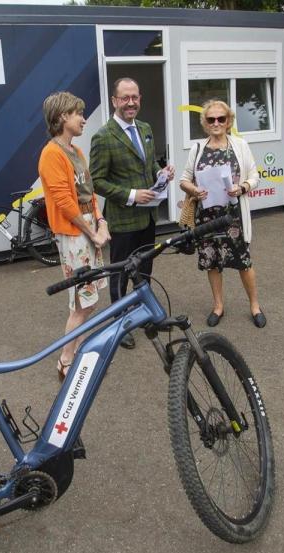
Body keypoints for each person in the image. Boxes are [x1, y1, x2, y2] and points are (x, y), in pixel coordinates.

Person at [90, 77, 173, 349]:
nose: (130, 102)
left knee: (145, 268)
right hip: (123, 220)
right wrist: (131, 194)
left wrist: (160, 174)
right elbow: (97, 181)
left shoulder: (145, 128)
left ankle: (144, 313)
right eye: (125, 98)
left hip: (148, 217)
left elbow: (148, 167)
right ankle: (120, 323)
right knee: (121, 273)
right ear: (114, 101)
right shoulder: (103, 136)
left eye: (134, 97)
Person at [37, 92, 110, 382]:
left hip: (89, 228)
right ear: (62, 116)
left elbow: (88, 193)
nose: (83, 118)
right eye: (78, 113)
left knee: (88, 299)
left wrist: (101, 221)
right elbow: (65, 203)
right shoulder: (51, 154)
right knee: (83, 301)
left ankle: (74, 352)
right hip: (75, 233)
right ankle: (66, 360)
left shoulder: (76, 151)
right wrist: (92, 231)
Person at [179, 99, 266, 328]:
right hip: (206, 218)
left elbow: (255, 177)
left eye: (221, 118)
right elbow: (184, 180)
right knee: (212, 262)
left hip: (233, 217)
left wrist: (242, 187)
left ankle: (255, 306)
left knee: (244, 262)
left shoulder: (240, 146)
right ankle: (218, 306)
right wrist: (194, 190)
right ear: (205, 123)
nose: (216, 123)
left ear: (228, 122)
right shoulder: (197, 149)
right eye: (211, 119)